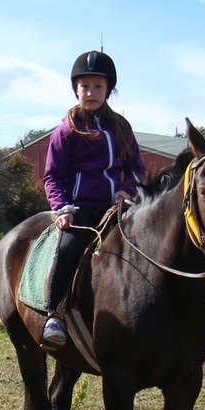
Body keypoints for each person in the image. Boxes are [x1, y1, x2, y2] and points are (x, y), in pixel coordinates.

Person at [39, 50, 145, 349]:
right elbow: (52, 176)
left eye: (98, 86)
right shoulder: (66, 130)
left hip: (119, 205)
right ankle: (54, 314)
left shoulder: (121, 127)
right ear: (76, 89)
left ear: (108, 90)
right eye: (85, 86)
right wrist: (60, 208)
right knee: (70, 247)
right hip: (82, 206)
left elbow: (135, 168)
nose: (91, 92)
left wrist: (128, 190)